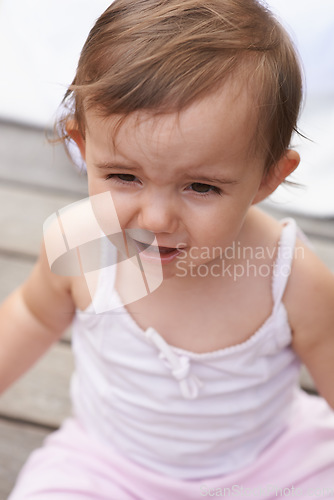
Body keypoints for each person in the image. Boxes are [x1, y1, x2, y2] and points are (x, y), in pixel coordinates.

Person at [2, 0, 334, 498]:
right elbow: (30, 315)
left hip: (270, 464)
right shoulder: (80, 246)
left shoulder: (288, 272)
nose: (155, 220)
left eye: (201, 187)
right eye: (123, 176)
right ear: (82, 147)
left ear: (268, 178)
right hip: (108, 464)